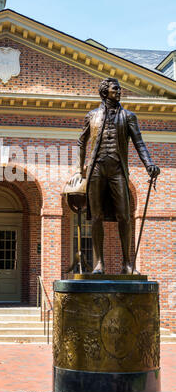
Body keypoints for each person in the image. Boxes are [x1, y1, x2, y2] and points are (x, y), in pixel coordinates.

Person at [69, 77, 160, 275]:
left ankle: (127, 264)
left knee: (124, 215)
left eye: (119, 89)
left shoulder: (128, 116)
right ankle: (99, 263)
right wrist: (78, 169)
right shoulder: (91, 115)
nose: (119, 92)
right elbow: (81, 142)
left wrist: (149, 164)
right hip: (97, 169)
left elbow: (139, 143)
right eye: (115, 89)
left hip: (117, 168)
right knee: (96, 217)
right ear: (105, 92)